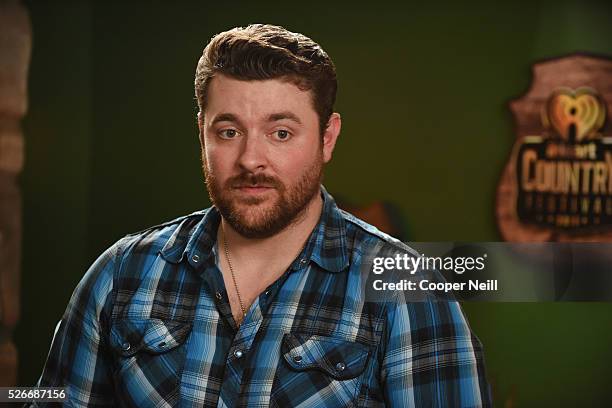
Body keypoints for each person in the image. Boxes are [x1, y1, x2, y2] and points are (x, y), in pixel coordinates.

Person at [32, 24, 491, 407]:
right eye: (229, 131)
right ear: (202, 135)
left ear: (327, 138)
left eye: (281, 132)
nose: (252, 159)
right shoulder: (121, 273)